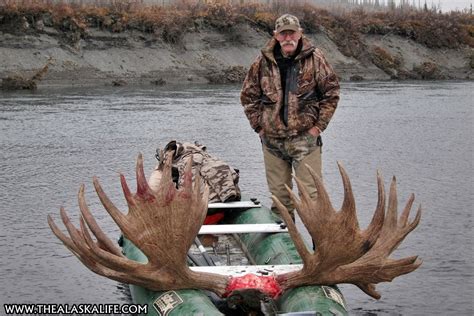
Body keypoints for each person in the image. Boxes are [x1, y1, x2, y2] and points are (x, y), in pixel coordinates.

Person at [240, 14, 340, 220]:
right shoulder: (261, 62)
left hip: (305, 140)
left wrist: (318, 128)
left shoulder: (316, 58)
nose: (288, 38)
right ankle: (287, 246)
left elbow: (331, 93)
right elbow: (248, 96)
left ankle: (320, 247)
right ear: (276, 36)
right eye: (283, 33)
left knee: (312, 198)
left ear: (300, 33)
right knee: (280, 200)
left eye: (291, 33)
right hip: (273, 144)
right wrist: (259, 127)